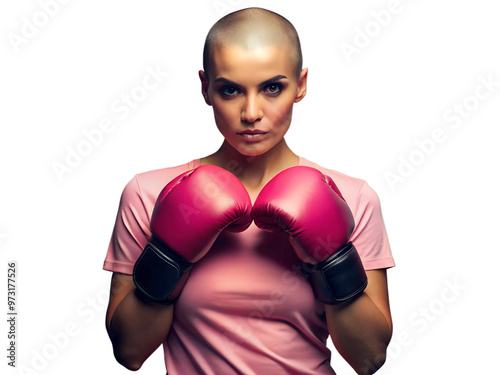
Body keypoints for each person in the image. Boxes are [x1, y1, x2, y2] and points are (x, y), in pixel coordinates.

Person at [103, 7, 395, 375]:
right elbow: (129, 352)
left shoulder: (351, 198)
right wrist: (170, 254)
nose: (252, 112)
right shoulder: (149, 193)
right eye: (230, 90)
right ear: (206, 88)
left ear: (301, 84)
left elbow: (370, 358)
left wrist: (331, 257)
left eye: (273, 87)